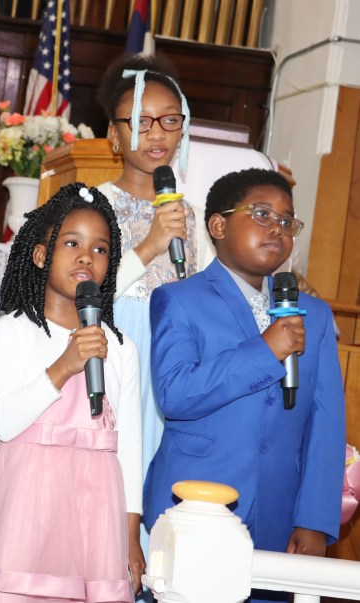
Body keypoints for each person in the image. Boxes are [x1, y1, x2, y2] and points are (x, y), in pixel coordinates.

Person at [0, 183, 144, 602]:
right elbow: (5, 424)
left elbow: (129, 446)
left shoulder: (119, 347)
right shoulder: (15, 330)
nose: (86, 256)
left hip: (93, 511)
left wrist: (130, 534)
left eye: (100, 249)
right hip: (25, 505)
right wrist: (64, 365)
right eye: (72, 243)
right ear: (41, 254)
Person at [143, 168, 346, 603]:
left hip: (280, 512)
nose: (278, 227)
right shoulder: (179, 300)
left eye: (288, 220)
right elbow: (175, 395)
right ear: (218, 225)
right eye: (261, 213)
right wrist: (265, 350)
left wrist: (314, 520)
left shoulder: (315, 314)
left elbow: (325, 425)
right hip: (195, 504)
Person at [95, 54, 211, 486]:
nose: (156, 133)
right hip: (113, 354)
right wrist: (149, 246)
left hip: (173, 362)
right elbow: (81, 295)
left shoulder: (194, 218)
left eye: (168, 120)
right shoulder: (90, 204)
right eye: (141, 121)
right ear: (113, 133)